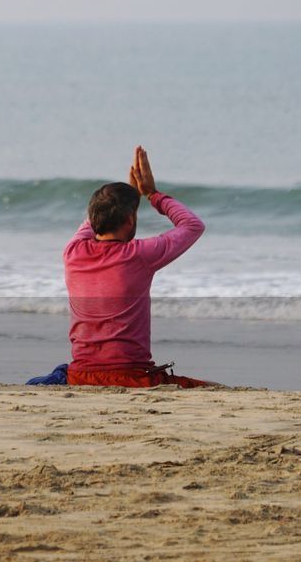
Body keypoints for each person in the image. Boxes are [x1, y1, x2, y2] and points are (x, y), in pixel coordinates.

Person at [63, 146, 211, 387]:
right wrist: (153, 194)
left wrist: (129, 195)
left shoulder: (72, 251)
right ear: (131, 219)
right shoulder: (139, 255)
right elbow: (192, 225)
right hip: (130, 377)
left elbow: (93, 220)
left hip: (80, 375)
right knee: (219, 391)